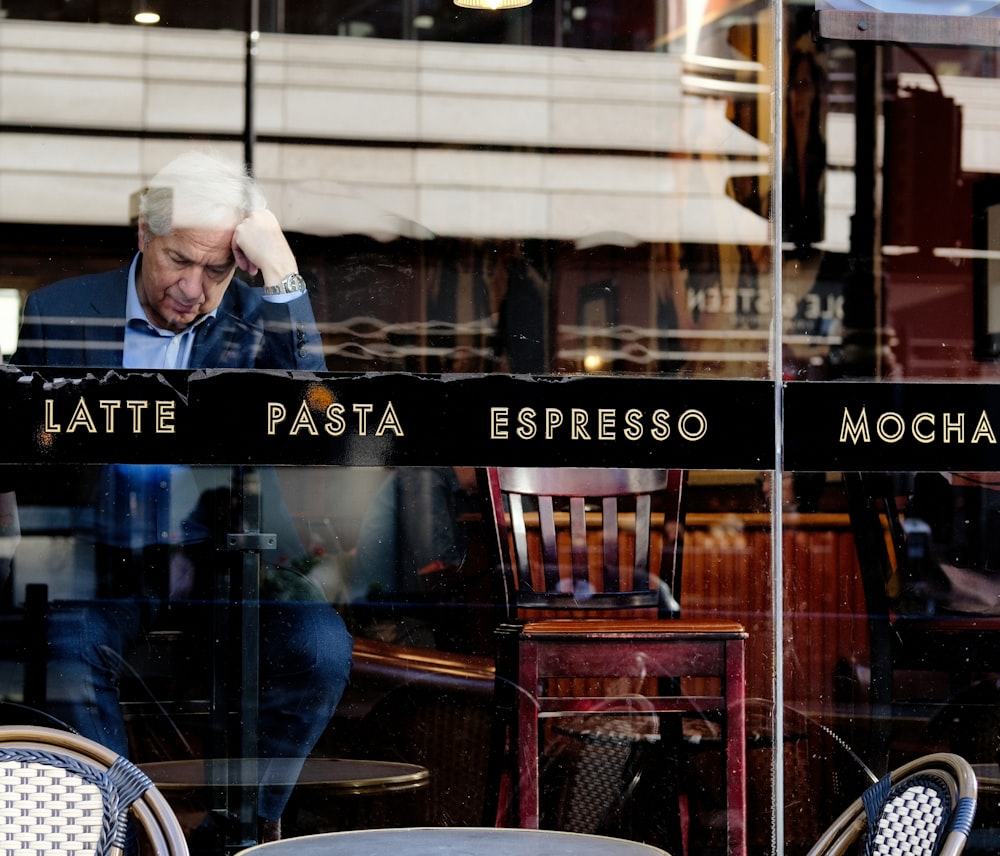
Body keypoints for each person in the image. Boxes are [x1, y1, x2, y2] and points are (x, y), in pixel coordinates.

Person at [11, 150, 353, 844]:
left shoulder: (260, 319)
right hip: (102, 549)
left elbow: (317, 410)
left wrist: (282, 269)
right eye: (179, 261)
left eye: (217, 268)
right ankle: (130, 842)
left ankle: (235, 834)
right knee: (66, 654)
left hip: (228, 547)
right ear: (143, 235)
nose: (193, 289)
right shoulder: (61, 310)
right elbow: (24, 448)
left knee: (320, 651)